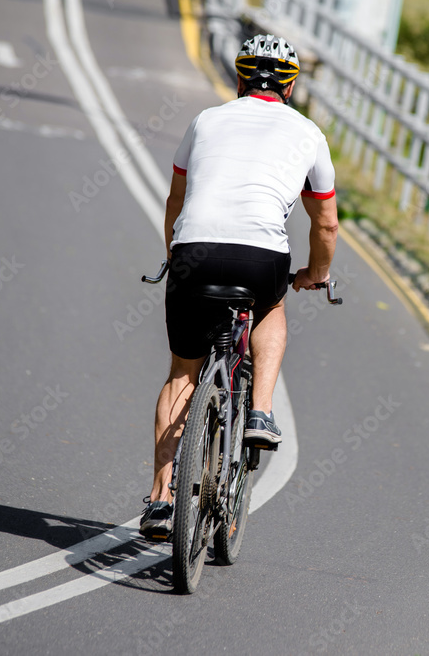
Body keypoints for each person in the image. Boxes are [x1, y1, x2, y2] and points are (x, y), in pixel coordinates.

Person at [140, 34, 339, 540]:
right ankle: (262, 413)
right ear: (291, 87)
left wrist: (175, 261)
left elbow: (176, 197)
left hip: (193, 251)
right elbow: (327, 224)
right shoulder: (309, 133)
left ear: (239, 79)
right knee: (271, 306)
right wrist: (315, 275)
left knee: (181, 373)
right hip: (261, 258)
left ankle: (161, 502)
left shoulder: (206, 120)